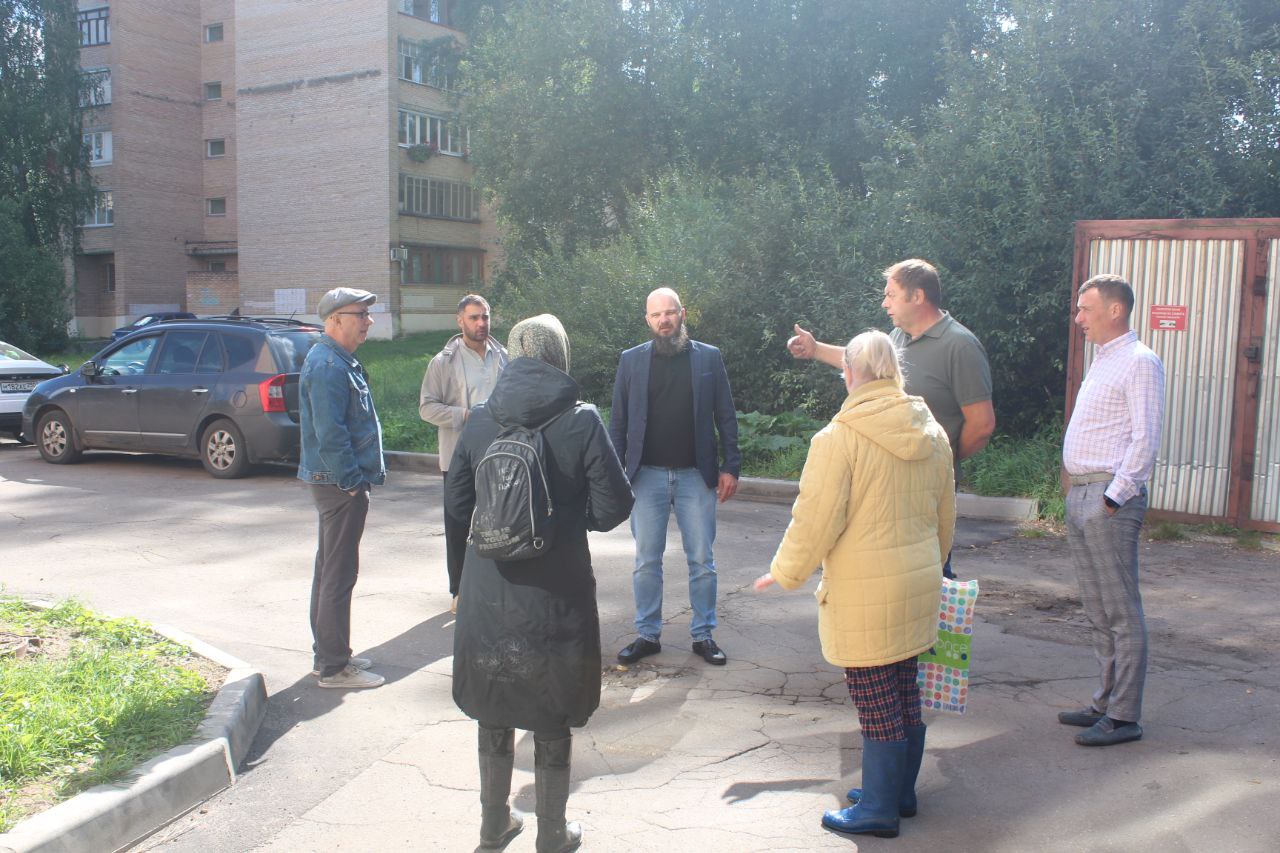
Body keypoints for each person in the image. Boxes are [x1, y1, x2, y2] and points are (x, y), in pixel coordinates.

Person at [755, 329, 955, 839]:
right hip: (920, 581)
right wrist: (933, 565)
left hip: (866, 592)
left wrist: (785, 572)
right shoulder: (931, 431)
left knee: (875, 700)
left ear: (850, 372)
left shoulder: (839, 438)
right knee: (905, 689)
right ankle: (898, 792)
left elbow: (814, 518)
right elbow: (944, 517)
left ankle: (879, 811)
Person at [445, 314, 633, 852]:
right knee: (553, 705)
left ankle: (493, 825)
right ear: (560, 356)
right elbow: (614, 507)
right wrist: (564, 520)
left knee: (493, 698)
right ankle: (552, 833)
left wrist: (459, 580)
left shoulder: (481, 419)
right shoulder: (581, 420)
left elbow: (458, 505)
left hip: (487, 581)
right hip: (556, 584)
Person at [787, 259, 994, 578]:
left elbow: (981, 426)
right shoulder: (897, 337)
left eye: (891, 295)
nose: (884, 303)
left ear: (917, 296)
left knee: (928, 578)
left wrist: (940, 455)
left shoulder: (960, 345)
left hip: (925, 492)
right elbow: (859, 361)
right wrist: (815, 349)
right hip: (881, 488)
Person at [1058, 273, 1165, 747]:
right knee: (1098, 609)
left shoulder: (1140, 362)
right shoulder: (1103, 361)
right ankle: (1103, 702)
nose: (1078, 317)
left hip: (1108, 500)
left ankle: (1124, 717)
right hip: (1082, 495)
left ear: (1115, 310)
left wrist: (1113, 497)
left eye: (1085, 308)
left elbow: (1145, 438)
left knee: (1121, 611)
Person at [610, 288, 741, 666]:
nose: (664, 320)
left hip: (695, 476)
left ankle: (703, 635)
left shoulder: (708, 358)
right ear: (647, 319)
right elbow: (618, 423)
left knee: (702, 559)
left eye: (670, 313)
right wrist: (616, 474)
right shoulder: (631, 361)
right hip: (645, 477)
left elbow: (726, 416)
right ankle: (648, 634)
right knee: (646, 560)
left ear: (682, 314)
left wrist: (730, 466)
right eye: (656, 315)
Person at [298, 287, 386, 689]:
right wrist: (352, 482)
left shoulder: (336, 361)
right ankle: (334, 668)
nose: (367, 321)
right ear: (335, 319)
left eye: (368, 314)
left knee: (329, 569)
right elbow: (330, 433)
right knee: (338, 572)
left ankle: (330, 655)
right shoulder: (329, 366)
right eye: (360, 314)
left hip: (335, 481)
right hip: (338, 484)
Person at [420, 294, 509, 613]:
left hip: (499, 458)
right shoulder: (443, 362)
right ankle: (459, 591)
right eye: (474, 318)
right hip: (458, 457)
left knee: (500, 524)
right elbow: (427, 408)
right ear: (460, 321)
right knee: (458, 524)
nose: (481, 323)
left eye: (485, 316)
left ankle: (497, 586)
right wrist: (467, 416)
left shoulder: (503, 356)